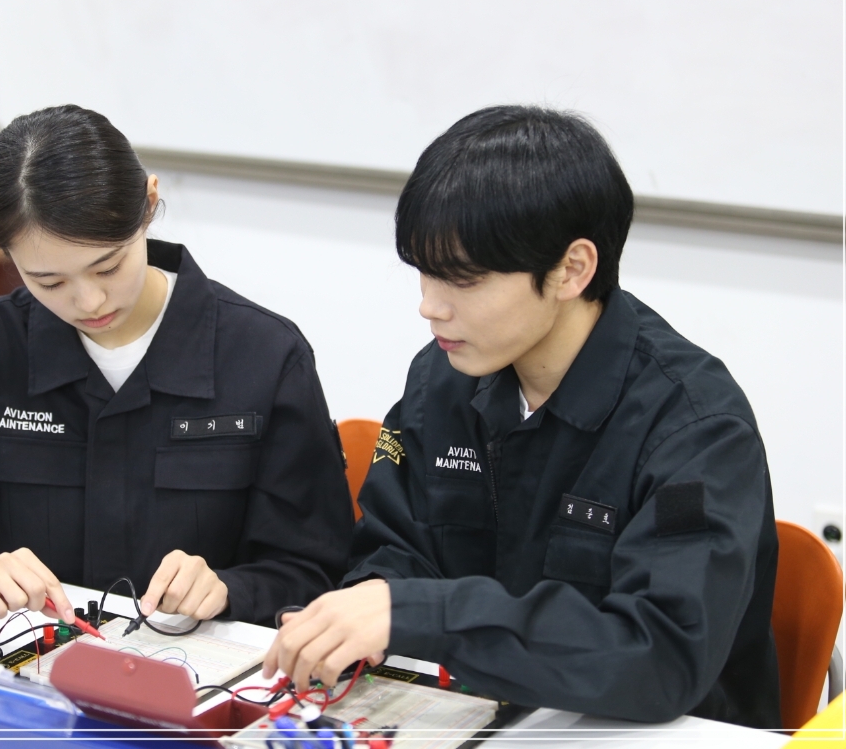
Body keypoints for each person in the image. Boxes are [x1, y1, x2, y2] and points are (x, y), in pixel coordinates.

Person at [263, 105, 781, 728]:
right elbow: (397, 548)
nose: (430, 306)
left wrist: (425, 614)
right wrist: (364, 605)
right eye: (424, 272)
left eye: (464, 280)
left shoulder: (695, 427)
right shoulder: (442, 378)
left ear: (571, 269)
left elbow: (661, 655)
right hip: (482, 714)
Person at [0, 104, 354, 627]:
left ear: (149, 205)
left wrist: (228, 589)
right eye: (49, 281)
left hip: (203, 661)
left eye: (108, 266)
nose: (89, 301)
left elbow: (316, 569)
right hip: (41, 656)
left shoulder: (264, 356)